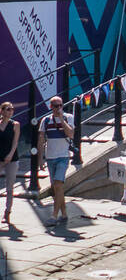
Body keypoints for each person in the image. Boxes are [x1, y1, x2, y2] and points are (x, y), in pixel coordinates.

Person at [37, 96, 73, 226]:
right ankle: (64, 214)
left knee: (58, 184)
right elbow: (41, 140)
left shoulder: (68, 117)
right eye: (56, 106)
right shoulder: (45, 120)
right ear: (51, 107)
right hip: (50, 157)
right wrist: (40, 159)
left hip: (63, 156)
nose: (59, 108)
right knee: (57, 188)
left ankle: (54, 215)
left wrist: (62, 120)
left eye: (60, 105)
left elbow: (71, 134)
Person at [0, 102, 21, 226]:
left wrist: (10, 155)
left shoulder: (15, 124)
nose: (10, 111)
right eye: (8, 109)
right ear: (2, 111)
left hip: (11, 159)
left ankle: (7, 212)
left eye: (12, 109)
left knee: (9, 186)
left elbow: (15, 142)